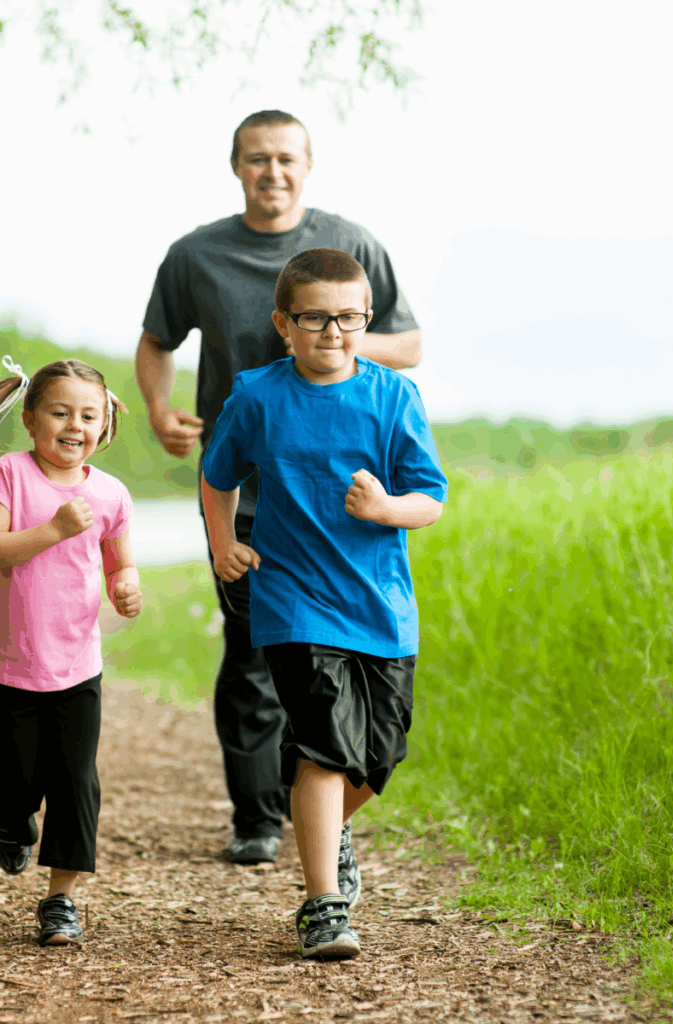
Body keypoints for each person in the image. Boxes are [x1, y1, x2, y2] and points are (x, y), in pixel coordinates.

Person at [135, 109, 423, 864]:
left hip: (335, 496)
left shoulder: (351, 244)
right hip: (242, 488)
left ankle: (316, 799)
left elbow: (409, 344)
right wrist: (161, 411)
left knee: (342, 674)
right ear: (236, 166)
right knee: (251, 652)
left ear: (308, 164)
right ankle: (259, 818)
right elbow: (157, 342)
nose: (273, 171)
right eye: (258, 158)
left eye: (286, 158)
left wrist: (328, 335)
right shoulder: (196, 255)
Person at [201, 248, 448, 958]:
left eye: (347, 317)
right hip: (293, 598)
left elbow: (429, 501)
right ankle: (322, 905)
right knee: (325, 747)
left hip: (381, 605)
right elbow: (218, 477)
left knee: (380, 755)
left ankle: (324, 823)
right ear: (284, 323)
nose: (332, 332)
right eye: (313, 318)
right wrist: (223, 543)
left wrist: (385, 508)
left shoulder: (393, 397)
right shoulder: (257, 396)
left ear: (366, 319)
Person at [0, 355, 143, 947]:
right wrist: (54, 530)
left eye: (88, 415)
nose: (74, 426)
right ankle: (13, 823)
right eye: (60, 412)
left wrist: (126, 586)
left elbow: (119, 562)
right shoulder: (9, 474)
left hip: (78, 665)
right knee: (13, 776)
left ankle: (61, 899)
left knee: (75, 781)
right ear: (31, 418)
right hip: (10, 664)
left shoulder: (110, 493)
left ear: (104, 424)